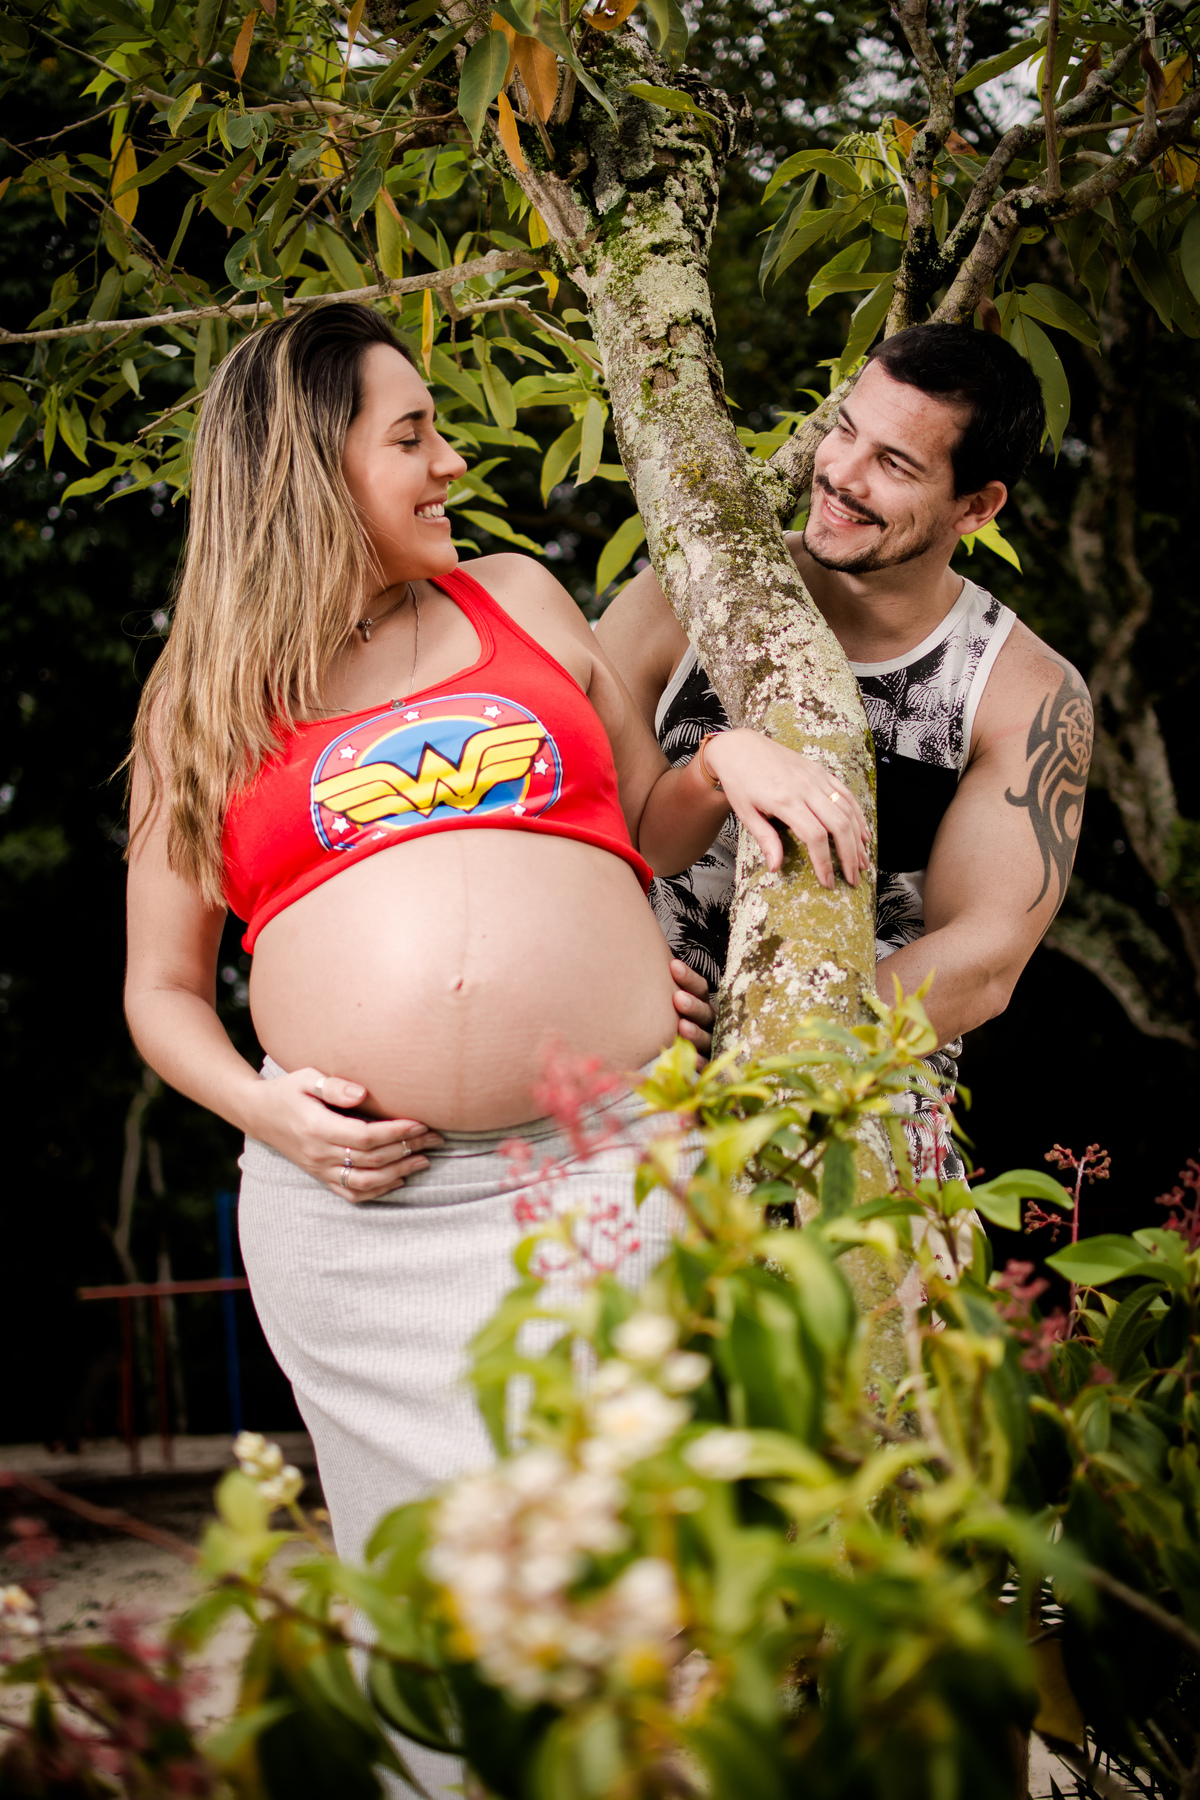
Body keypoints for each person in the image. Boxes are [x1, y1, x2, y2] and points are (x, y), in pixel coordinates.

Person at [123, 303, 870, 1595]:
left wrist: (730, 755)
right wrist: (266, 1110)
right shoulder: (203, 693)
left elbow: (648, 821)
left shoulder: (515, 595)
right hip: (362, 1218)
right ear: (312, 468)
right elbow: (162, 989)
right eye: (411, 437)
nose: (450, 464)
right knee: (438, 1605)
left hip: (610, 1172)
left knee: (645, 1590)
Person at [598, 323, 1094, 1185]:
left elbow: (981, 960)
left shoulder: (1023, 692)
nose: (842, 476)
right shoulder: (688, 597)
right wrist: (604, 979)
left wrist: (777, 1057)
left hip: (851, 1114)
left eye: (895, 465)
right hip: (627, 1065)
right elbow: (553, 803)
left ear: (976, 508)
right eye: (844, 430)